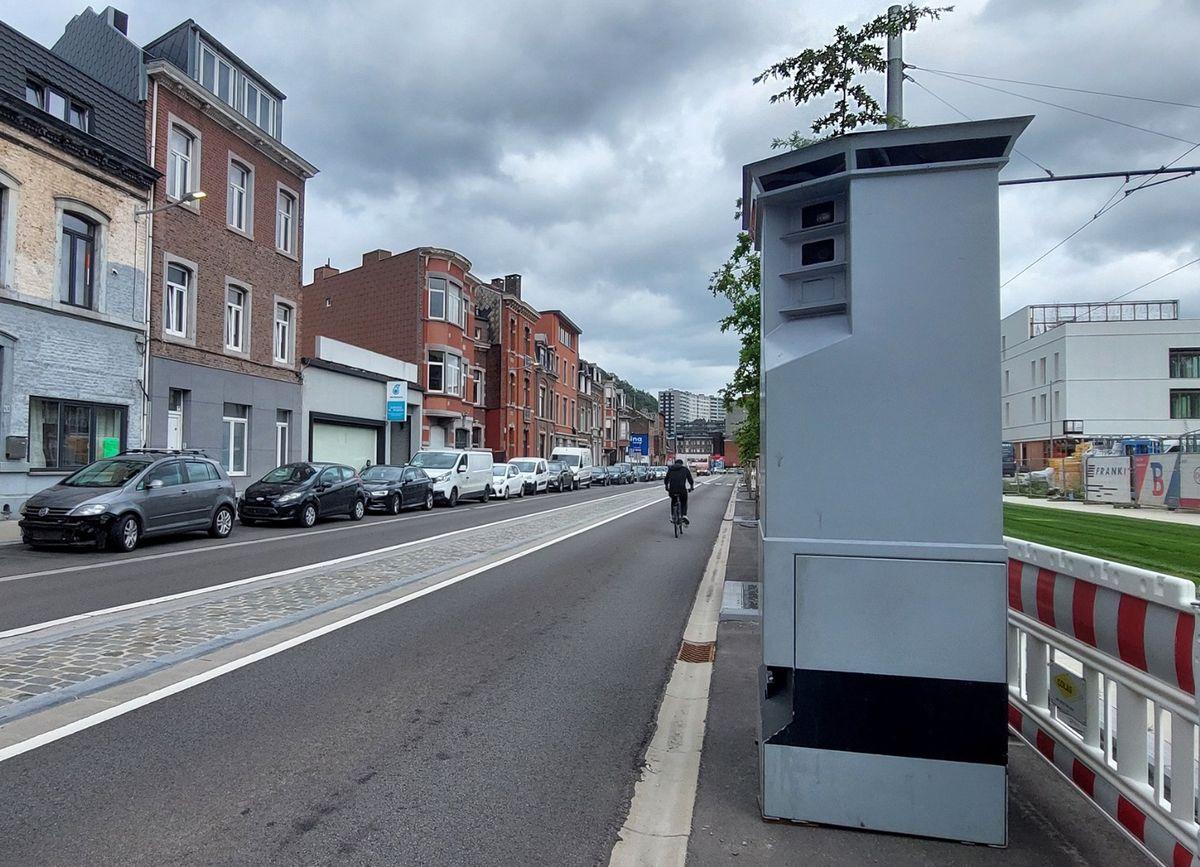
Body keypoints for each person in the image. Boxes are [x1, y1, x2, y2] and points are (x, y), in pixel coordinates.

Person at [664, 458, 694, 525]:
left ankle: (672, 515)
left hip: (672, 490)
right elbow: (690, 479)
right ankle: (684, 515)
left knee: (673, 501)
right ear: (681, 464)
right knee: (684, 501)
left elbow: (666, 479)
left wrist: (666, 487)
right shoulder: (685, 469)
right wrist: (691, 487)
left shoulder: (671, 469)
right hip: (682, 490)